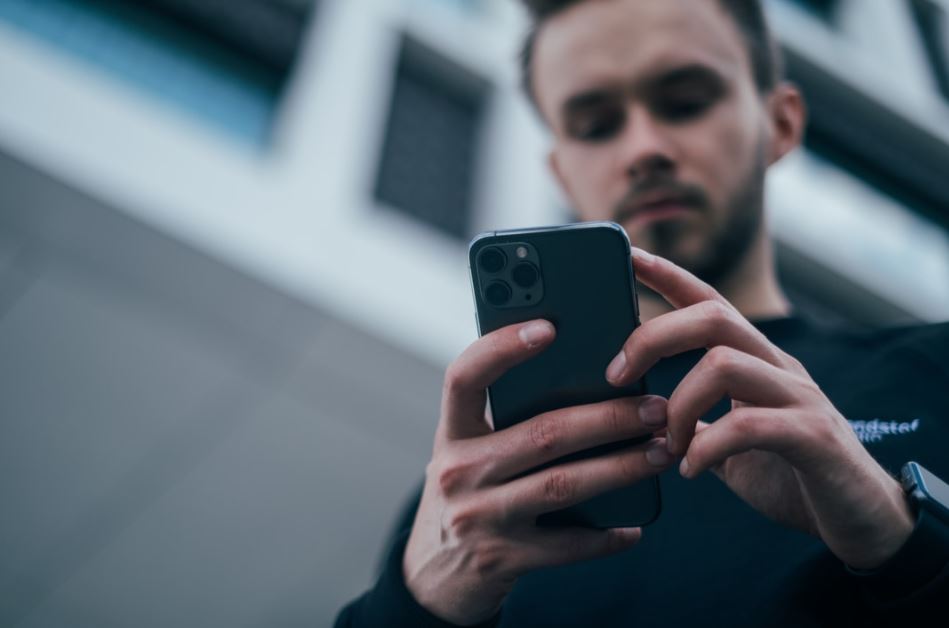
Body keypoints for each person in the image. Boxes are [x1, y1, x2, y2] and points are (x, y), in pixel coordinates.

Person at [335, 0, 949, 625]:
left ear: (780, 123)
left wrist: (902, 536)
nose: (645, 148)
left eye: (684, 103)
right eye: (596, 125)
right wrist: (416, 603)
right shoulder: (477, 493)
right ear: (563, 176)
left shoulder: (936, 371)